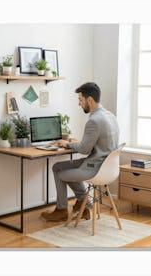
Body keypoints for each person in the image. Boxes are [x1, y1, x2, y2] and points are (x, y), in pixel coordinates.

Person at [41, 82, 119, 222]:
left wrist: (68, 143)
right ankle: (84, 205)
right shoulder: (110, 115)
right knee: (57, 166)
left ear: (89, 100)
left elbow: (84, 149)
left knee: (60, 173)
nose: (79, 104)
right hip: (107, 167)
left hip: (95, 168)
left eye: (80, 100)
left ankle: (62, 210)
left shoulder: (94, 120)